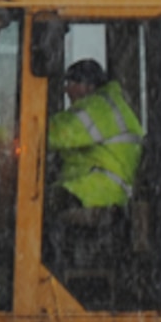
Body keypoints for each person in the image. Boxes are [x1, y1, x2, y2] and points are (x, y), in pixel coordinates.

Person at [47, 59, 143, 209]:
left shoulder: (99, 108)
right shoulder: (107, 104)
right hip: (101, 187)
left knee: (36, 204)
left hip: (97, 188)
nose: (67, 90)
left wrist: (11, 133)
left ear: (88, 86)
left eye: (71, 84)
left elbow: (57, 133)